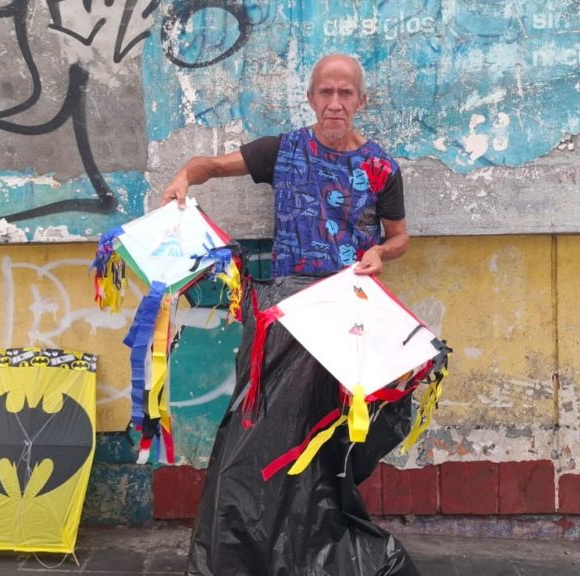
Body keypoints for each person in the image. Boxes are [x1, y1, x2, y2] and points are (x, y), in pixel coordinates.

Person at [162, 54, 420, 576]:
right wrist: (182, 179)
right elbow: (210, 167)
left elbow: (399, 237)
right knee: (257, 431)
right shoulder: (282, 150)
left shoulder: (381, 167)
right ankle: (247, 550)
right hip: (284, 316)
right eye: (326, 92)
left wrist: (380, 253)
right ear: (311, 98)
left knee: (326, 436)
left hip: (347, 315)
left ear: (361, 100)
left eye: (345, 93)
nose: (335, 103)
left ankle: (315, 546)